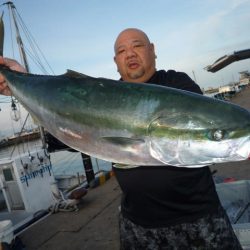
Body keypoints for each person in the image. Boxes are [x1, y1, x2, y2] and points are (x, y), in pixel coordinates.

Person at [0, 28, 242, 250]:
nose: (130, 54)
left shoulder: (177, 84)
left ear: (152, 50)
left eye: (137, 46)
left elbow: (212, 128)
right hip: (136, 225)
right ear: (116, 61)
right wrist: (19, 79)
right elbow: (65, 139)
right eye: (121, 51)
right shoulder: (96, 96)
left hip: (198, 217)